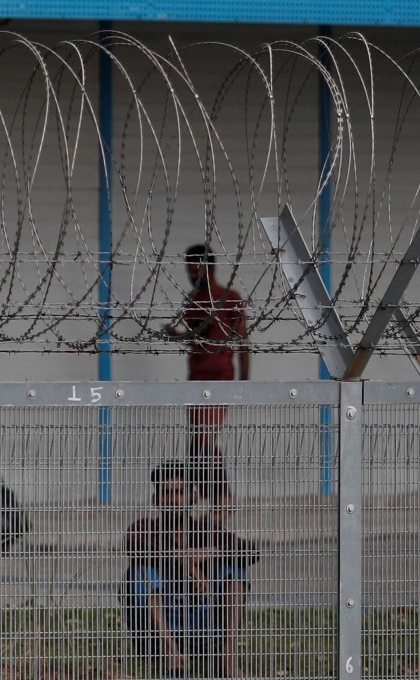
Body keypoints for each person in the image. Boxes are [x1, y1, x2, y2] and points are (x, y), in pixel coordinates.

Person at [121, 460, 258, 678]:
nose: (174, 500)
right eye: (167, 493)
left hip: (204, 620)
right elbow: (133, 543)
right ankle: (171, 653)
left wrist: (210, 552)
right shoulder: (145, 528)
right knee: (140, 572)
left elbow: (251, 551)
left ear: (193, 497)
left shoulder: (205, 531)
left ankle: (228, 657)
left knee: (235, 568)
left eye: (180, 492)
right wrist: (187, 564)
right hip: (164, 624)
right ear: (155, 500)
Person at [163, 244, 249, 506]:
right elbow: (200, 337)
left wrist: (244, 382)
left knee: (204, 437)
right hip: (196, 375)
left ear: (209, 268)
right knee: (196, 439)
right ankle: (208, 494)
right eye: (189, 271)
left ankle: (219, 496)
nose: (191, 276)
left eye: (196, 270)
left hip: (220, 376)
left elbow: (242, 340)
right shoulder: (191, 300)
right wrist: (179, 336)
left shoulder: (229, 297)